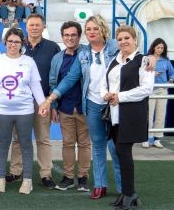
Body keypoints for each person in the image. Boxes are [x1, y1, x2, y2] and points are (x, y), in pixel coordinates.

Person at [39, 15, 123, 199]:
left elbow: (134, 53)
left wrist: (151, 59)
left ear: (102, 29)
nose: (91, 32)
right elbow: (68, 79)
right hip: (90, 105)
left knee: (116, 147)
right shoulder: (83, 55)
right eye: (89, 29)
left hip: (113, 105)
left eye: (95, 28)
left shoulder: (114, 46)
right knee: (97, 146)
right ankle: (100, 186)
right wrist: (50, 101)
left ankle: (124, 188)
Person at [0, 28, 47, 194]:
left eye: (17, 42)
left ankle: (27, 180)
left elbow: (35, 85)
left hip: (25, 111)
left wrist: (42, 104)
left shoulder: (28, 62)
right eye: (10, 41)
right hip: (2, 110)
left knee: (26, 144)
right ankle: (0, 179)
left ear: (22, 44)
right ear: (5, 42)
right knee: (3, 144)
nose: (13, 44)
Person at [101, 25, 154, 209]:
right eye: (120, 39)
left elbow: (147, 89)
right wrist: (106, 94)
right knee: (120, 153)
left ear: (135, 40)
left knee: (123, 152)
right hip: (114, 116)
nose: (123, 42)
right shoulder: (114, 60)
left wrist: (120, 97)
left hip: (131, 115)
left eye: (127, 38)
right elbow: (104, 83)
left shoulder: (144, 60)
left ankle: (129, 194)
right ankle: (128, 194)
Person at [7, 14, 60, 189]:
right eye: (31, 25)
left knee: (43, 138)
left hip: (42, 101)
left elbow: (56, 77)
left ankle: (46, 174)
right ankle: (15, 171)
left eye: (38, 25)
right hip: (20, 100)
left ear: (43, 27)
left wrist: (52, 104)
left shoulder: (53, 48)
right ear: (26, 26)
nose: (35, 28)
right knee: (18, 138)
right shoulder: (18, 46)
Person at [49, 21, 91, 192]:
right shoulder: (57, 58)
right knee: (67, 143)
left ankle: (83, 177)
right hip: (65, 107)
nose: (70, 38)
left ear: (79, 36)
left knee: (84, 144)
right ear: (62, 37)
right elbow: (53, 82)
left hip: (85, 107)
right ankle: (67, 177)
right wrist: (53, 106)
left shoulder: (88, 54)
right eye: (66, 35)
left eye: (73, 35)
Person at [144, 38, 174, 148]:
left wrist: (169, 81)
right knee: (149, 115)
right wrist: (152, 74)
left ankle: (157, 139)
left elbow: (172, 74)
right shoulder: (146, 59)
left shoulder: (166, 60)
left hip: (162, 90)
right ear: (153, 47)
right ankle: (147, 138)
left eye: (162, 48)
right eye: (158, 47)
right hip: (150, 90)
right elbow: (141, 73)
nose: (160, 50)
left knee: (161, 115)